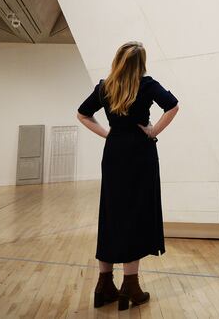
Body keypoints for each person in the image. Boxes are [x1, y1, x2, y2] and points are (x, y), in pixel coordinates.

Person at [76, 41, 179, 310]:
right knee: (135, 215)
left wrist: (109, 134)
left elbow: (82, 114)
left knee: (111, 213)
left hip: (114, 153)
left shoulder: (105, 86)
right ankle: (129, 285)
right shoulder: (147, 85)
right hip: (140, 153)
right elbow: (173, 106)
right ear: (140, 62)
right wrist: (153, 130)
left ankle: (104, 285)